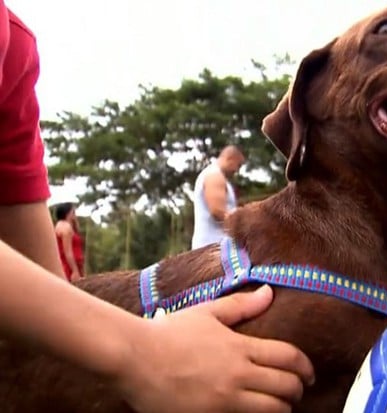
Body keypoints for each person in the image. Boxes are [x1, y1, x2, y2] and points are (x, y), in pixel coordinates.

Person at [0, 3, 314, 413]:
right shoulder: (214, 179)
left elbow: (39, 328)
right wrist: (143, 351)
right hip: (218, 256)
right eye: (239, 161)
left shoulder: (14, 47)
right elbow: (226, 217)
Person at [191, 145, 245, 249]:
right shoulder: (214, 176)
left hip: (218, 247)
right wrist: (245, 225)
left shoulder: (218, 176)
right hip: (211, 248)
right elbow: (218, 212)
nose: (237, 170)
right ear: (230, 159)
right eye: (238, 165)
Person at [54, 202, 85, 281]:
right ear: (68, 213)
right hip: (69, 267)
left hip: (72, 265)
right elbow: (67, 252)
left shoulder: (62, 225)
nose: (75, 215)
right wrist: (75, 271)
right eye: (73, 212)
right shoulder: (66, 228)